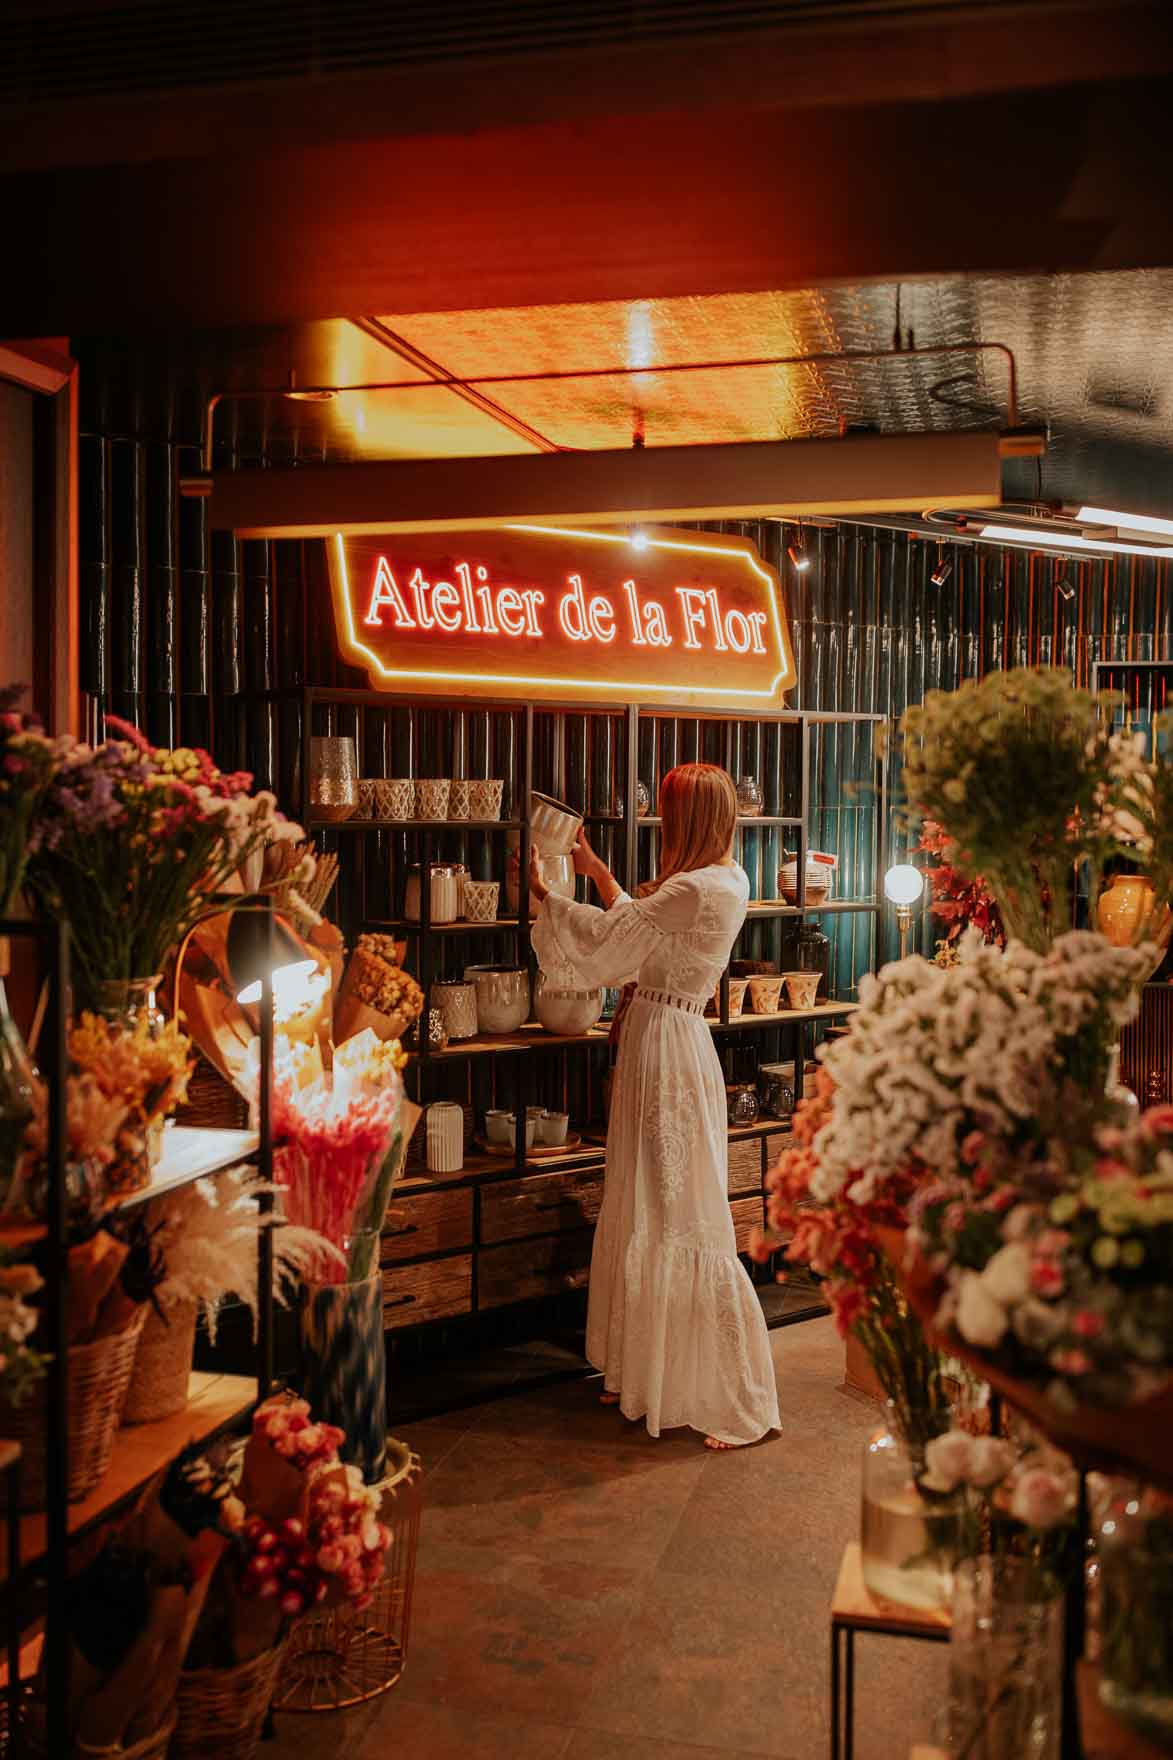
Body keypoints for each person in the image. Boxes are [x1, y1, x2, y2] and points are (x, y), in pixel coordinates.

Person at [528, 763, 781, 1449]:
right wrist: (600, 875)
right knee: (654, 1196)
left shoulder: (692, 886)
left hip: (663, 1046)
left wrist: (550, 896)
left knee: (670, 1205)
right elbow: (643, 938)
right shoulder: (726, 880)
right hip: (670, 1036)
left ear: (685, 820)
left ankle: (714, 1388)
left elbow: (613, 952)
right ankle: (646, 1371)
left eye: (669, 813)